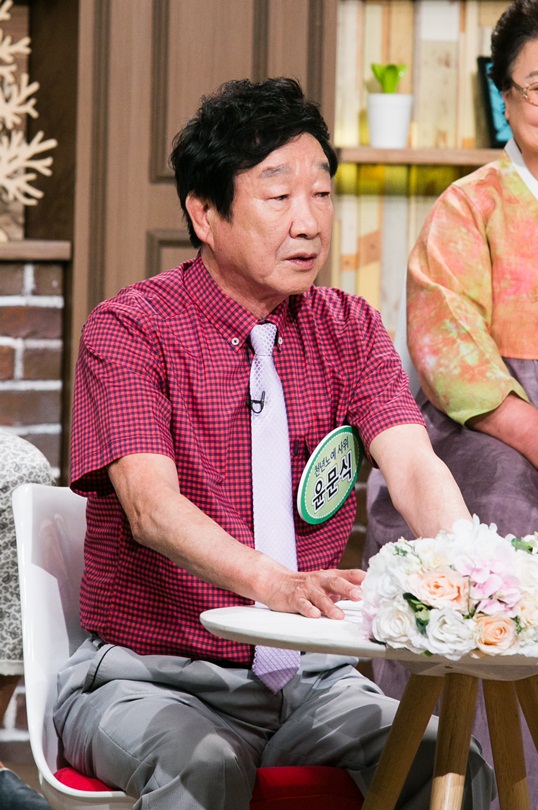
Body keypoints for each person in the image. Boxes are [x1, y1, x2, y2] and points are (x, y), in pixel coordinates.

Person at [53, 77, 494, 810]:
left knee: (453, 766)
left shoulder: (349, 326)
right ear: (205, 213)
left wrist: (473, 570)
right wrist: (277, 584)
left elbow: (414, 464)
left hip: (312, 680)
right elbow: (151, 509)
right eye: (279, 195)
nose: (309, 222)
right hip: (151, 675)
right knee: (207, 767)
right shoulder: (130, 328)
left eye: (321, 194)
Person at [365, 1, 538, 806]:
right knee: (505, 509)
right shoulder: (469, 207)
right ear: (505, 96)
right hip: (495, 423)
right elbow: (450, 350)